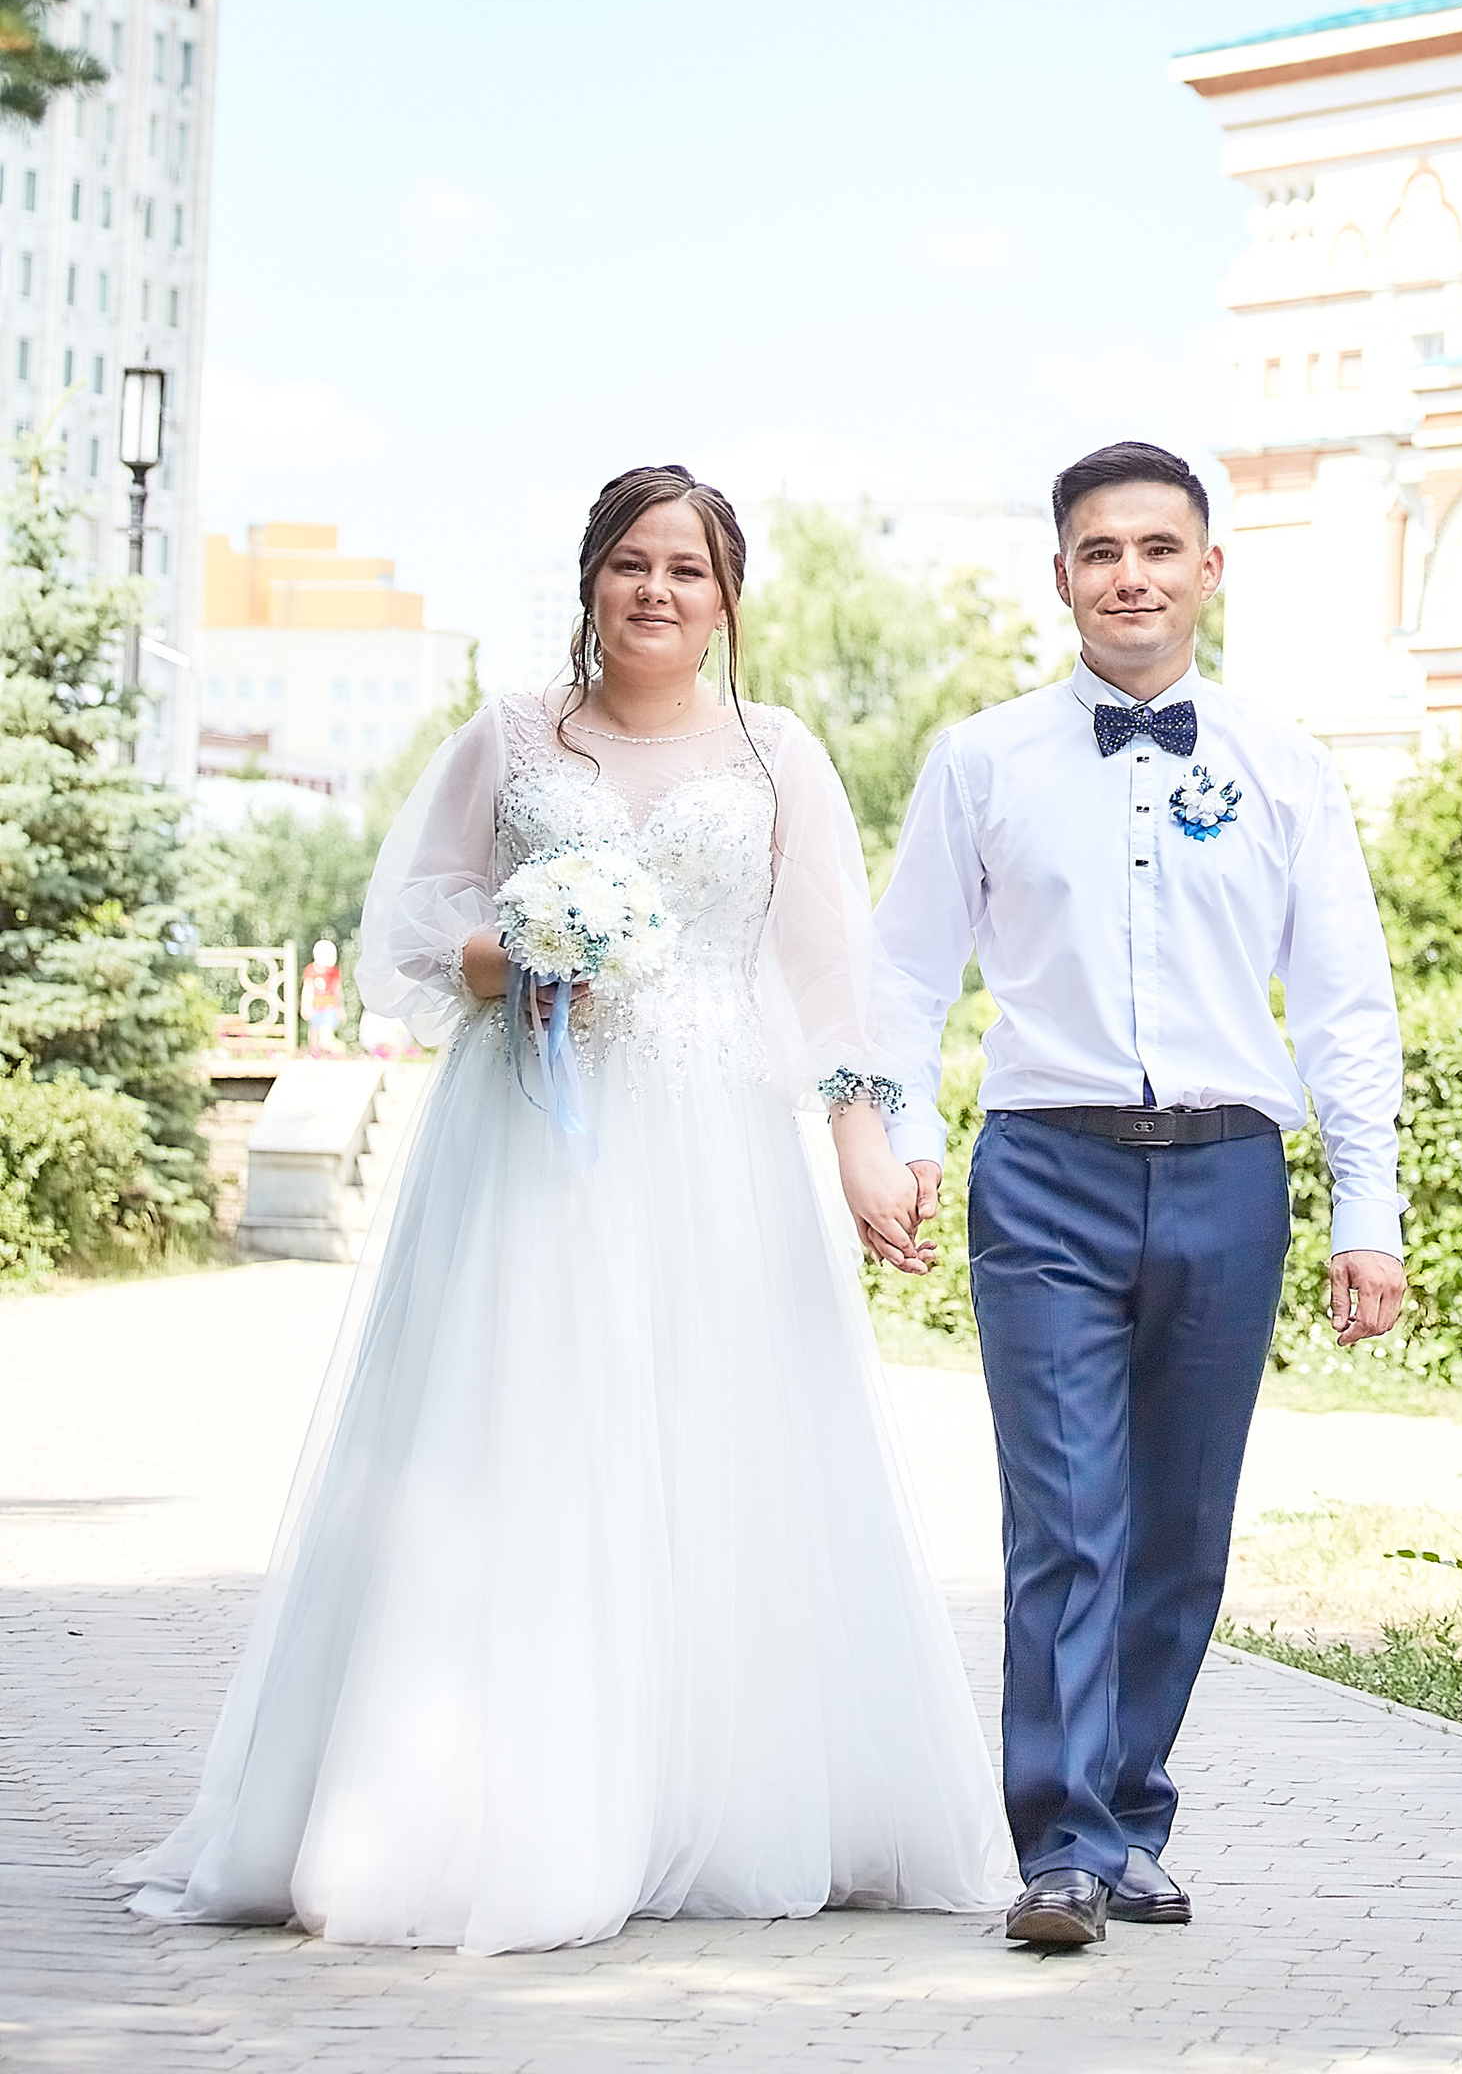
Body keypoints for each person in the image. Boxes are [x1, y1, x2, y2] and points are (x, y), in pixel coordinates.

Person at [129, 465, 1015, 1953]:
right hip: (529, 1132)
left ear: (728, 601)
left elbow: (828, 982)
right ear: (590, 579)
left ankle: (712, 1781)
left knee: (712, 1438)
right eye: (630, 563)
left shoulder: (776, 752)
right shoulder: (511, 737)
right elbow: (408, 922)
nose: (656, 591)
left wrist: (865, 1142)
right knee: (524, 1429)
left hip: (716, 1134)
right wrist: (515, 957)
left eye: (688, 568)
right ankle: (489, 1798)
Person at [853, 438, 1405, 1953]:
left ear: (1209, 570)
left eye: (1160, 549)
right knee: (1067, 1517)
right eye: (1102, 552)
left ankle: (1130, 1812)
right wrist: (897, 1132)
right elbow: (903, 972)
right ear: (1061, 578)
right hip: (1046, 1174)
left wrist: (1371, 1211)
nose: (1131, 577)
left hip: (1229, 1172)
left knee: (1180, 1527)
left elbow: (1347, 1001)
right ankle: (1065, 1845)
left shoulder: (1287, 768)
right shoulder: (983, 760)